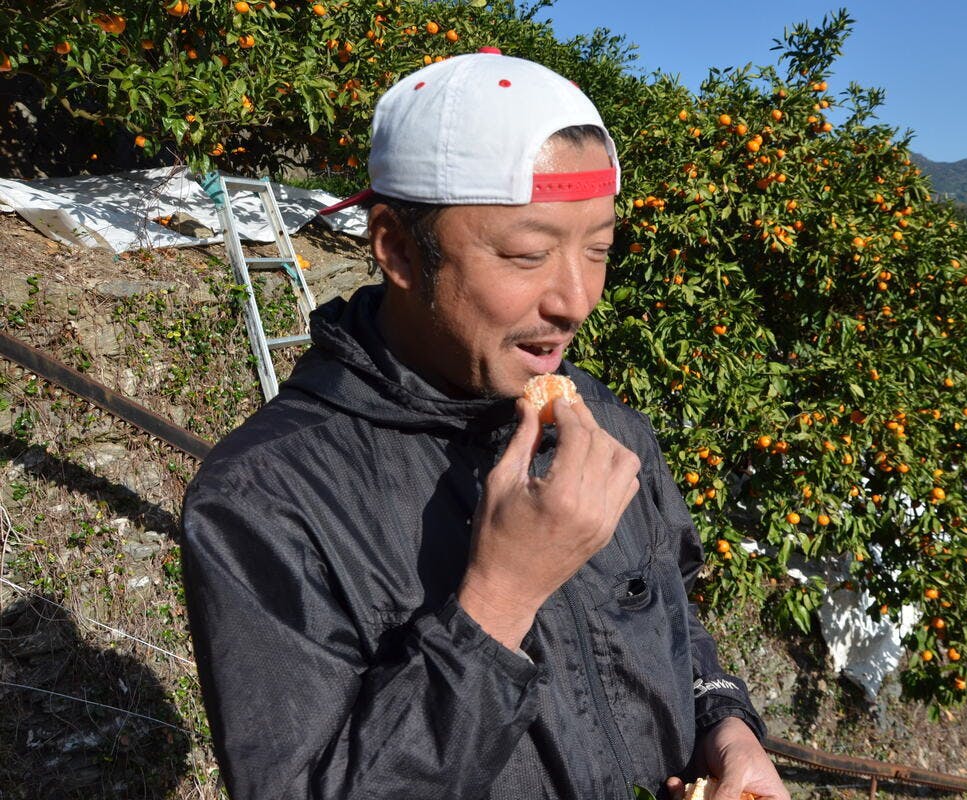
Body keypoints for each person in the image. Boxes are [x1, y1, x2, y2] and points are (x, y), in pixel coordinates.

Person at [181, 50, 789, 800]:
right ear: (399, 250)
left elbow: (672, 618)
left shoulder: (603, 427)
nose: (576, 300)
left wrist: (725, 724)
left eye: (599, 249)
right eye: (528, 255)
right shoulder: (267, 500)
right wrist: (499, 598)